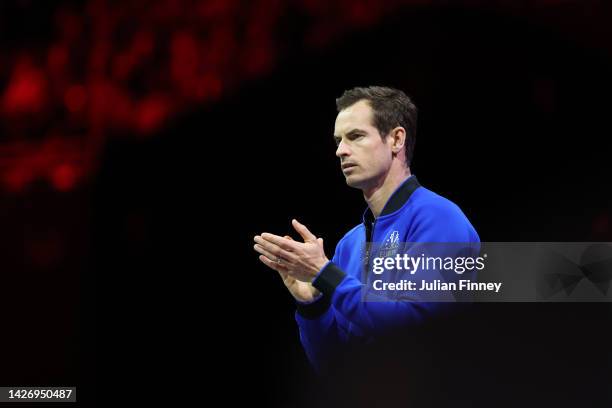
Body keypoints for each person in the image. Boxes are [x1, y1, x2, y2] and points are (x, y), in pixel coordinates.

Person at [253, 86, 479, 372]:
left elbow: (414, 328)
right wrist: (312, 303)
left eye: (356, 136)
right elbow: (332, 366)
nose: (340, 150)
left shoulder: (439, 218)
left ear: (397, 139)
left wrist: (326, 275)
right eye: (338, 140)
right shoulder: (349, 245)